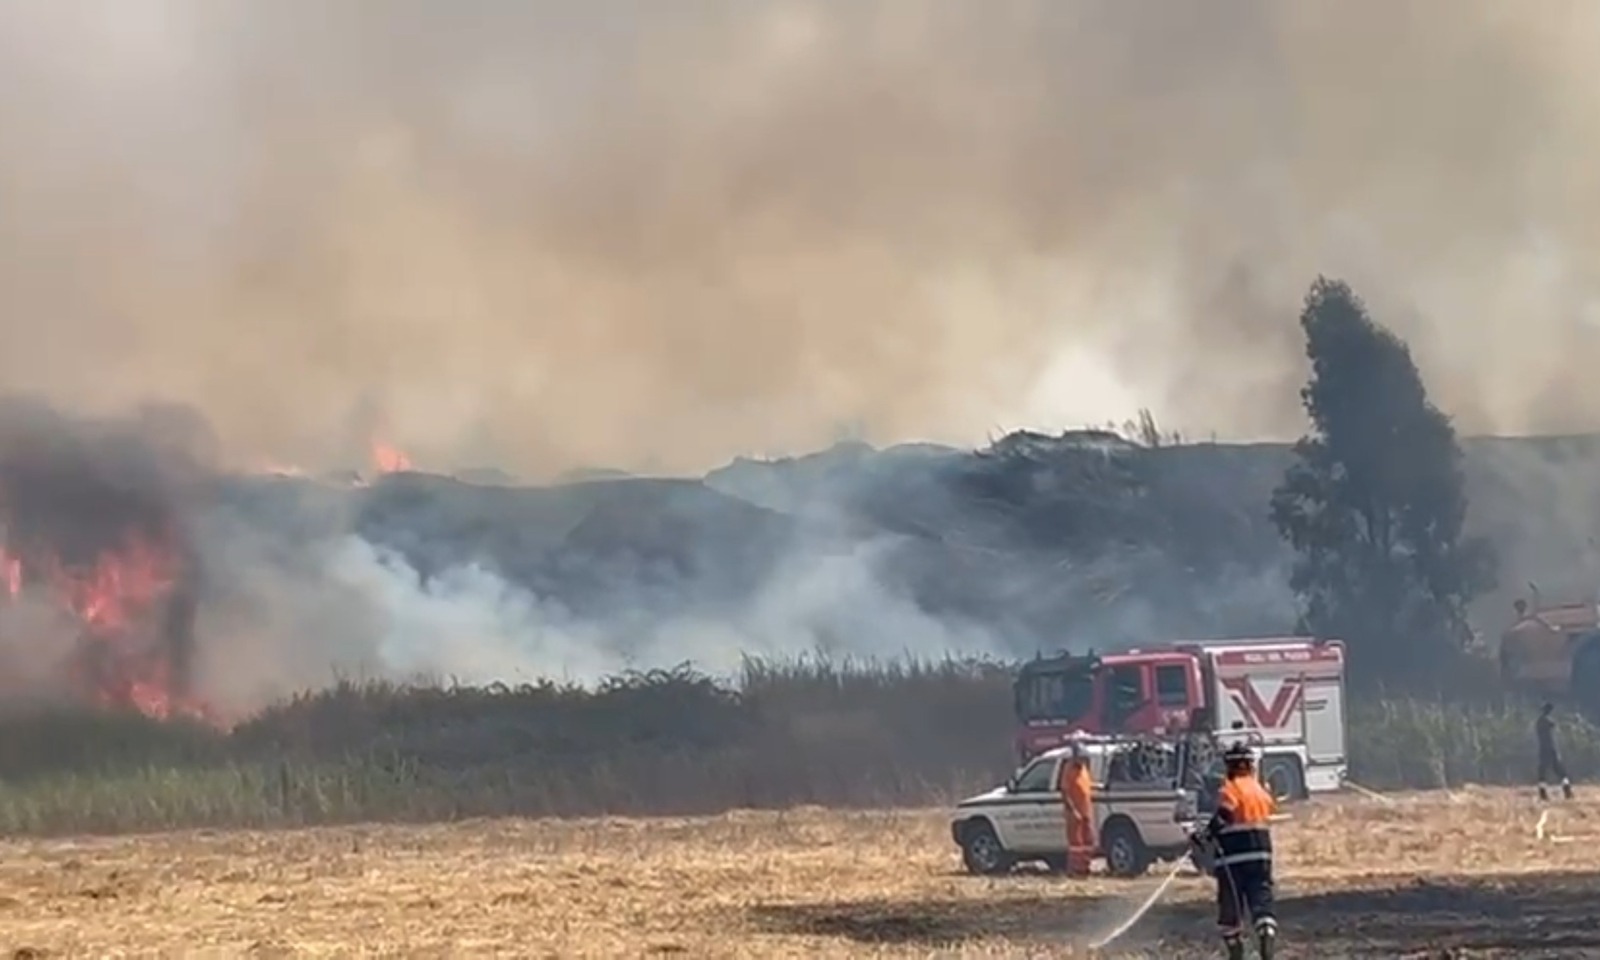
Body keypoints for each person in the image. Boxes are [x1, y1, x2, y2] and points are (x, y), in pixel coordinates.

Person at [1192, 741, 1278, 960]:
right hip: (1262, 854)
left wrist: (1206, 835)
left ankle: (1236, 954)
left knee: (1231, 907)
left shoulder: (1230, 789)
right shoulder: (1260, 790)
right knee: (1261, 897)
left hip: (1233, 857)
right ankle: (1266, 934)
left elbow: (1225, 815)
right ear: (1250, 765)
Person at [1060, 742, 1096, 877]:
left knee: (1088, 841)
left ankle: (1085, 868)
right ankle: (1075, 871)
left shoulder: (1083, 769)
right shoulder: (1068, 769)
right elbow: (1065, 792)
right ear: (1074, 757)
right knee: (1076, 845)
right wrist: (1073, 811)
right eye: (1080, 757)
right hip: (1074, 813)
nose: (1082, 760)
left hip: (1086, 810)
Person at [1536, 702, 1574, 801]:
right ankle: (1567, 791)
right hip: (1551, 749)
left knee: (1543, 772)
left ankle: (1542, 793)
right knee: (1560, 771)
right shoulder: (1548, 721)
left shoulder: (1539, 721)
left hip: (1543, 749)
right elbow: (1554, 725)